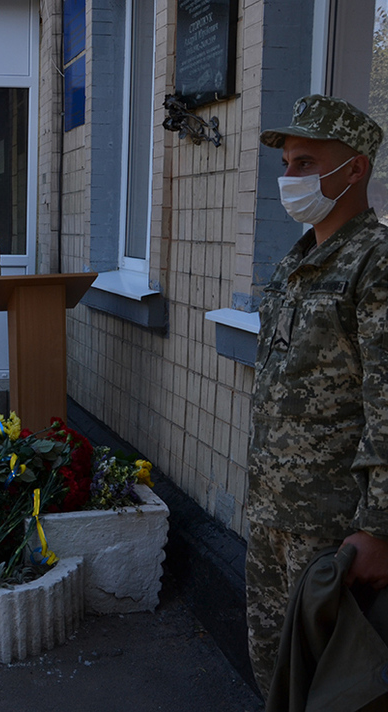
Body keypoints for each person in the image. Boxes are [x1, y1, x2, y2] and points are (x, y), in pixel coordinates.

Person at [246, 94, 388, 698]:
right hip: (272, 519)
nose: (289, 178)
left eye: (305, 163)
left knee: (333, 691)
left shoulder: (375, 263)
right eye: (286, 164)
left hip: (335, 536)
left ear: (354, 169)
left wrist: (379, 526)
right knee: (274, 680)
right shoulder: (299, 260)